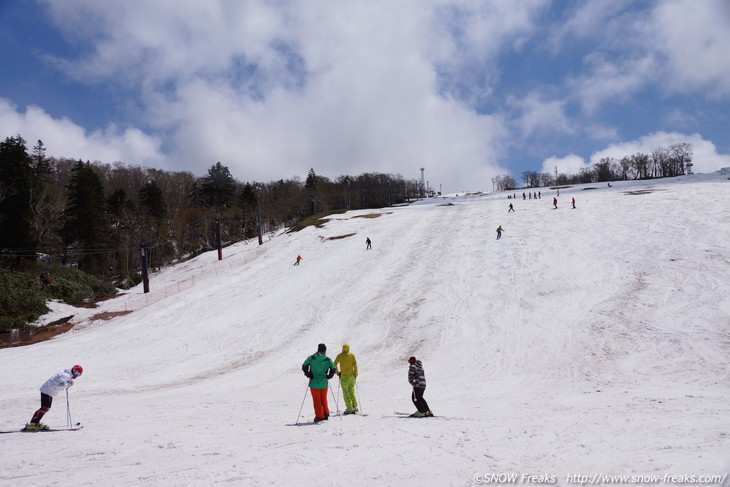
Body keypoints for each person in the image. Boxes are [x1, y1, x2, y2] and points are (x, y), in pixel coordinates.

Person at [27, 365, 83, 430]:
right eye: (76, 373)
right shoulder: (65, 375)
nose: (77, 376)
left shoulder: (67, 375)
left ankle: (35, 423)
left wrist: (68, 383)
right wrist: (68, 384)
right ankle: (33, 424)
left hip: (49, 391)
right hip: (47, 390)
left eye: (79, 374)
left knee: (45, 408)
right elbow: (62, 384)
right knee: (45, 408)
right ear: (73, 370)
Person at [302, 344, 336, 422]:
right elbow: (333, 368)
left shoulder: (311, 358)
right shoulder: (328, 360)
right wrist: (329, 376)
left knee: (317, 400)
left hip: (314, 383)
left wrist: (308, 375)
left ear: (318, 349)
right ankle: (326, 413)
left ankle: (319, 416)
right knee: (323, 398)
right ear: (325, 351)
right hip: (324, 383)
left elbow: (304, 366)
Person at [334, 344, 359, 414]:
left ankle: (349, 408)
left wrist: (337, 372)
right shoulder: (352, 355)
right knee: (351, 391)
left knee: (346, 392)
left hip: (344, 377)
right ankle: (354, 406)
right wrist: (355, 373)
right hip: (351, 376)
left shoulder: (340, 355)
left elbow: (334, 364)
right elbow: (355, 364)